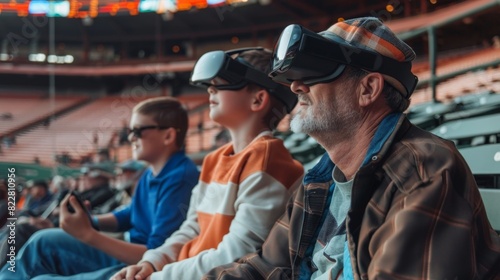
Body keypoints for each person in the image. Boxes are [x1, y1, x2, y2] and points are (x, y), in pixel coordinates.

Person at [204, 17, 500, 279]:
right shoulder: (318, 182)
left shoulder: (425, 170)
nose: (296, 87)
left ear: (368, 89)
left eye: (315, 71)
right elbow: (264, 267)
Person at [106, 48, 304, 280]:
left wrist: (159, 276)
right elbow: (191, 228)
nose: (211, 88)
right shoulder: (214, 159)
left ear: (258, 99)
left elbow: (239, 254)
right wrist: (152, 262)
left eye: (224, 83)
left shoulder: (269, 159)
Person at [0, 97, 200, 279]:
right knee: (41, 241)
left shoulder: (181, 178)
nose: (130, 138)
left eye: (138, 131)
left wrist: (88, 234)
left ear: (168, 136)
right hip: (129, 252)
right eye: (129, 131)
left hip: (138, 265)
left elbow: (156, 254)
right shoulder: (151, 172)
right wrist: (90, 221)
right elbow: (131, 214)